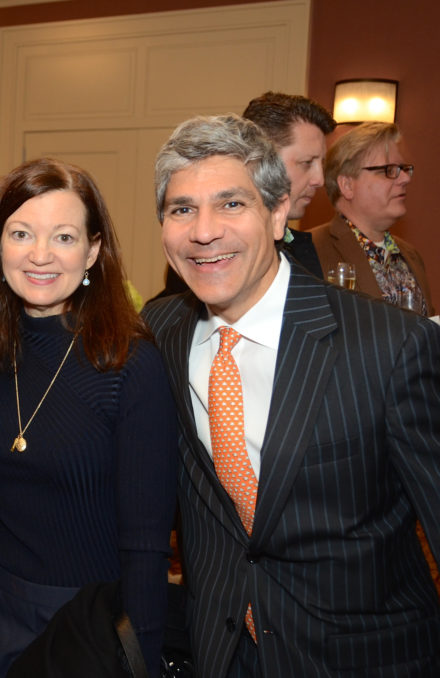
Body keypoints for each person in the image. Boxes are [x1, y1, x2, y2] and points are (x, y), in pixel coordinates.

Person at [142, 114, 440, 676]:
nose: (203, 231)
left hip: (364, 658)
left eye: (232, 204)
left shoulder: (390, 346)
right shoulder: (160, 330)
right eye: (182, 209)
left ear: (279, 213)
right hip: (223, 653)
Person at [0, 158, 178, 678]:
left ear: (93, 252)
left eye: (63, 236)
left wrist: (139, 657)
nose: (40, 255)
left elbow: (148, 543)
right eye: (21, 234)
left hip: (86, 620)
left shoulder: (129, 362)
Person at [156, 91, 333, 297]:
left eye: (232, 205)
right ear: (263, 155)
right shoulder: (201, 257)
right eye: (306, 163)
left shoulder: (302, 248)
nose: (319, 179)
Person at [309, 121, 434, 315]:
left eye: (403, 169)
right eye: (389, 170)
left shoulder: (411, 256)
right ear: (347, 185)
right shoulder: (311, 250)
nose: (405, 179)